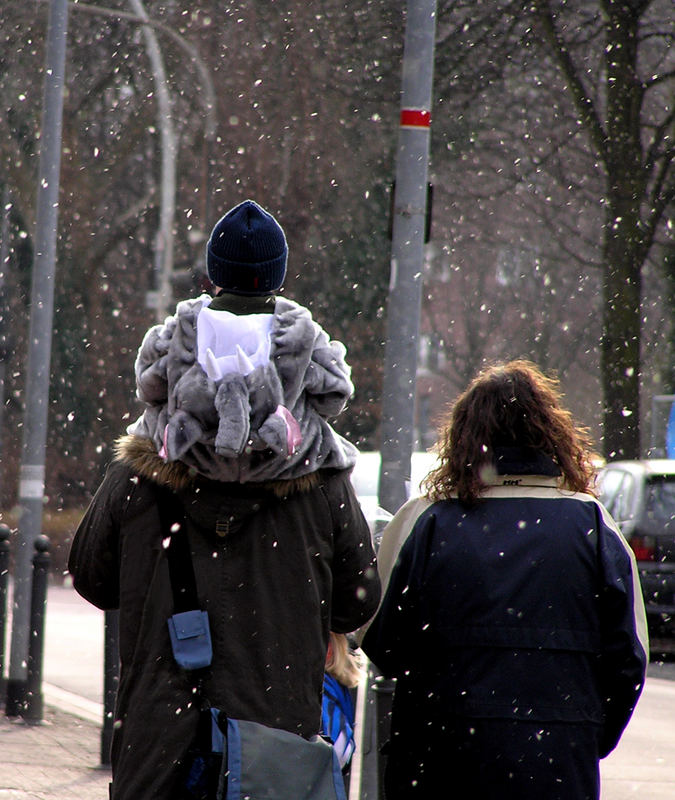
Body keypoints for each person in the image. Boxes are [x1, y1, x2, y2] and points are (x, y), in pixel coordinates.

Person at [69, 199, 381, 799]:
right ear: (279, 280)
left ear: (212, 277)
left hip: (160, 750)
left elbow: (91, 574)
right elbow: (356, 601)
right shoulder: (321, 475)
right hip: (273, 752)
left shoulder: (144, 465)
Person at [361, 360, 648, 800]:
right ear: (551, 435)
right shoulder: (592, 525)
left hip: (440, 756)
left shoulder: (427, 520)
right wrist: (583, 730)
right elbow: (629, 656)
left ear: (464, 439)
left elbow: (381, 639)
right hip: (557, 761)